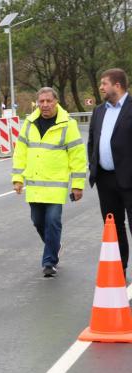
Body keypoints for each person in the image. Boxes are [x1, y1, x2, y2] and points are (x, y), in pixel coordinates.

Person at [12, 87, 87, 277]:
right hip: (35, 186)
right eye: (41, 101)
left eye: (48, 101)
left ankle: (49, 262)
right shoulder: (29, 123)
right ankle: (55, 245)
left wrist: (78, 184)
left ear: (56, 102)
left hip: (56, 186)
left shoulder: (67, 124)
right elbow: (20, 153)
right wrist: (18, 179)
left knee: (53, 221)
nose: (45, 105)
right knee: (38, 221)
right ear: (37, 103)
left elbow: (77, 156)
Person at [88, 68, 132, 278]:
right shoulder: (99, 111)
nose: (101, 87)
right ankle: (120, 269)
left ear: (117, 85)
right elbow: (92, 142)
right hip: (105, 179)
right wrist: (93, 166)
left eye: (104, 83)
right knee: (114, 227)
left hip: (130, 179)